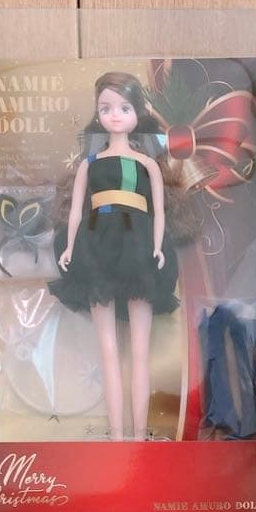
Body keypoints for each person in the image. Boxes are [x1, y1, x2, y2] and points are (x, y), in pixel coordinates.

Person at [49, 72, 178, 440]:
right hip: (97, 246)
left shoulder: (147, 164)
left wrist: (157, 247)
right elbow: (77, 212)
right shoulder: (90, 164)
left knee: (140, 352)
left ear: (138, 112)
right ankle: (117, 437)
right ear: (97, 113)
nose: (115, 115)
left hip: (137, 248)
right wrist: (70, 247)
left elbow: (159, 211)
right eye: (105, 108)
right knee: (108, 352)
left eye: (124, 108)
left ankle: (139, 437)